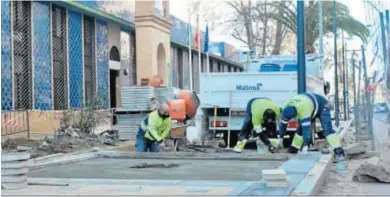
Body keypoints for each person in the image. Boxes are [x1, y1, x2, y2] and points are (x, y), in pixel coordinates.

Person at [279, 92, 345, 161]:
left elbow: (306, 129)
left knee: (327, 129)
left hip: (322, 105)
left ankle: (339, 152)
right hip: (310, 104)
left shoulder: (304, 110)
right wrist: (281, 138)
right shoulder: (286, 108)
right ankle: (294, 148)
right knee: (300, 130)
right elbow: (283, 125)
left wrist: (305, 145)